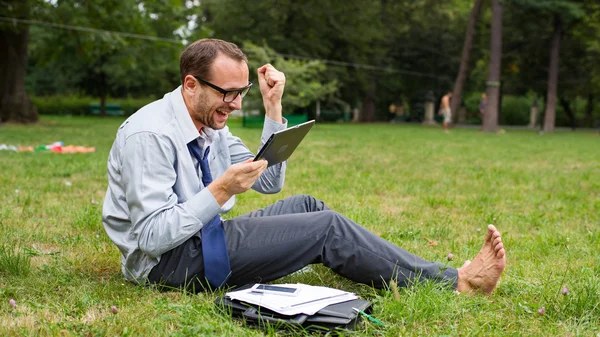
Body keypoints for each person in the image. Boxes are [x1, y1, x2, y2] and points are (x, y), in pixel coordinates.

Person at [102, 38, 506, 294]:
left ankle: (401, 269)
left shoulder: (211, 124)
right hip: (167, 264)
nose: (237, 104)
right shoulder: (150, 135)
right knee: (325, 229)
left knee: (309, 206)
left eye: (242, 92)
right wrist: (221, 190)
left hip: (202, 238)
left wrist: (273, 105)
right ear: (191, 84)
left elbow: (270, 181)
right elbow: (153, 238)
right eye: (228, 92)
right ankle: (457, 282)